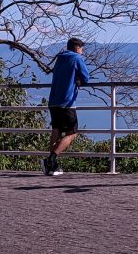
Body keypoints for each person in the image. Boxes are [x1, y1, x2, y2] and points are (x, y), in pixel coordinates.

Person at [42, 37, 90, 176]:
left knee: (56, 131)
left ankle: (51, 166)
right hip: (66, 102)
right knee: (72, 132)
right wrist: (78, 80)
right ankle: (51, 159)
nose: (82, 52)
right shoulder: (76, 58)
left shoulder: (60, 58)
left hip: (53, 100)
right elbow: (86, 78)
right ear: (77, 48)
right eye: (81, 49)